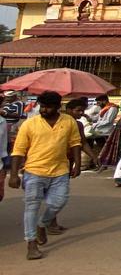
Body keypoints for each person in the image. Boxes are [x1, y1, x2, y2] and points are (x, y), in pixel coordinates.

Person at [8, 92, 81, 260]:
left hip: (60, 170)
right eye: (42, 106)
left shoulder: (68, 121)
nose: (43, 110)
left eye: (47, 107)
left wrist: (77, 163)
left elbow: (75, 142)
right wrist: (13, 175)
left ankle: (43, 224)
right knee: (31, 207)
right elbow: (18, 151)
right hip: (34, 171)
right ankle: (31, 242)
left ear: (57, 107)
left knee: (59, 202)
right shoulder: (30, 124)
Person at [64, 98, 101, 170]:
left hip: (69, 158)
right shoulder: (59, 123)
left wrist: (94, 157)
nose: (81, 113)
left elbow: (83, 142)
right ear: (69, 110)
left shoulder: (79, 124)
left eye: (82, 110)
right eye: (78, 110)